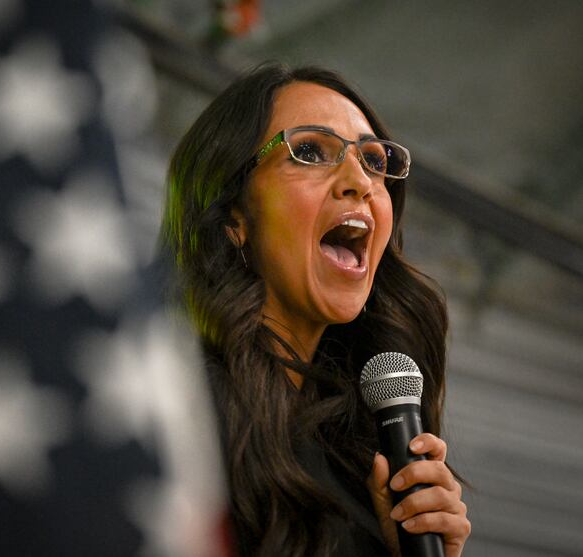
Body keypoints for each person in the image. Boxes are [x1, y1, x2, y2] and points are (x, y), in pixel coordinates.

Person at [162, 64, 470, 556]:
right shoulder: (176, 409)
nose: (360, 182)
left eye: (374, 161)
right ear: (235, 216)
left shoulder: (364, 459)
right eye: (308, 151)